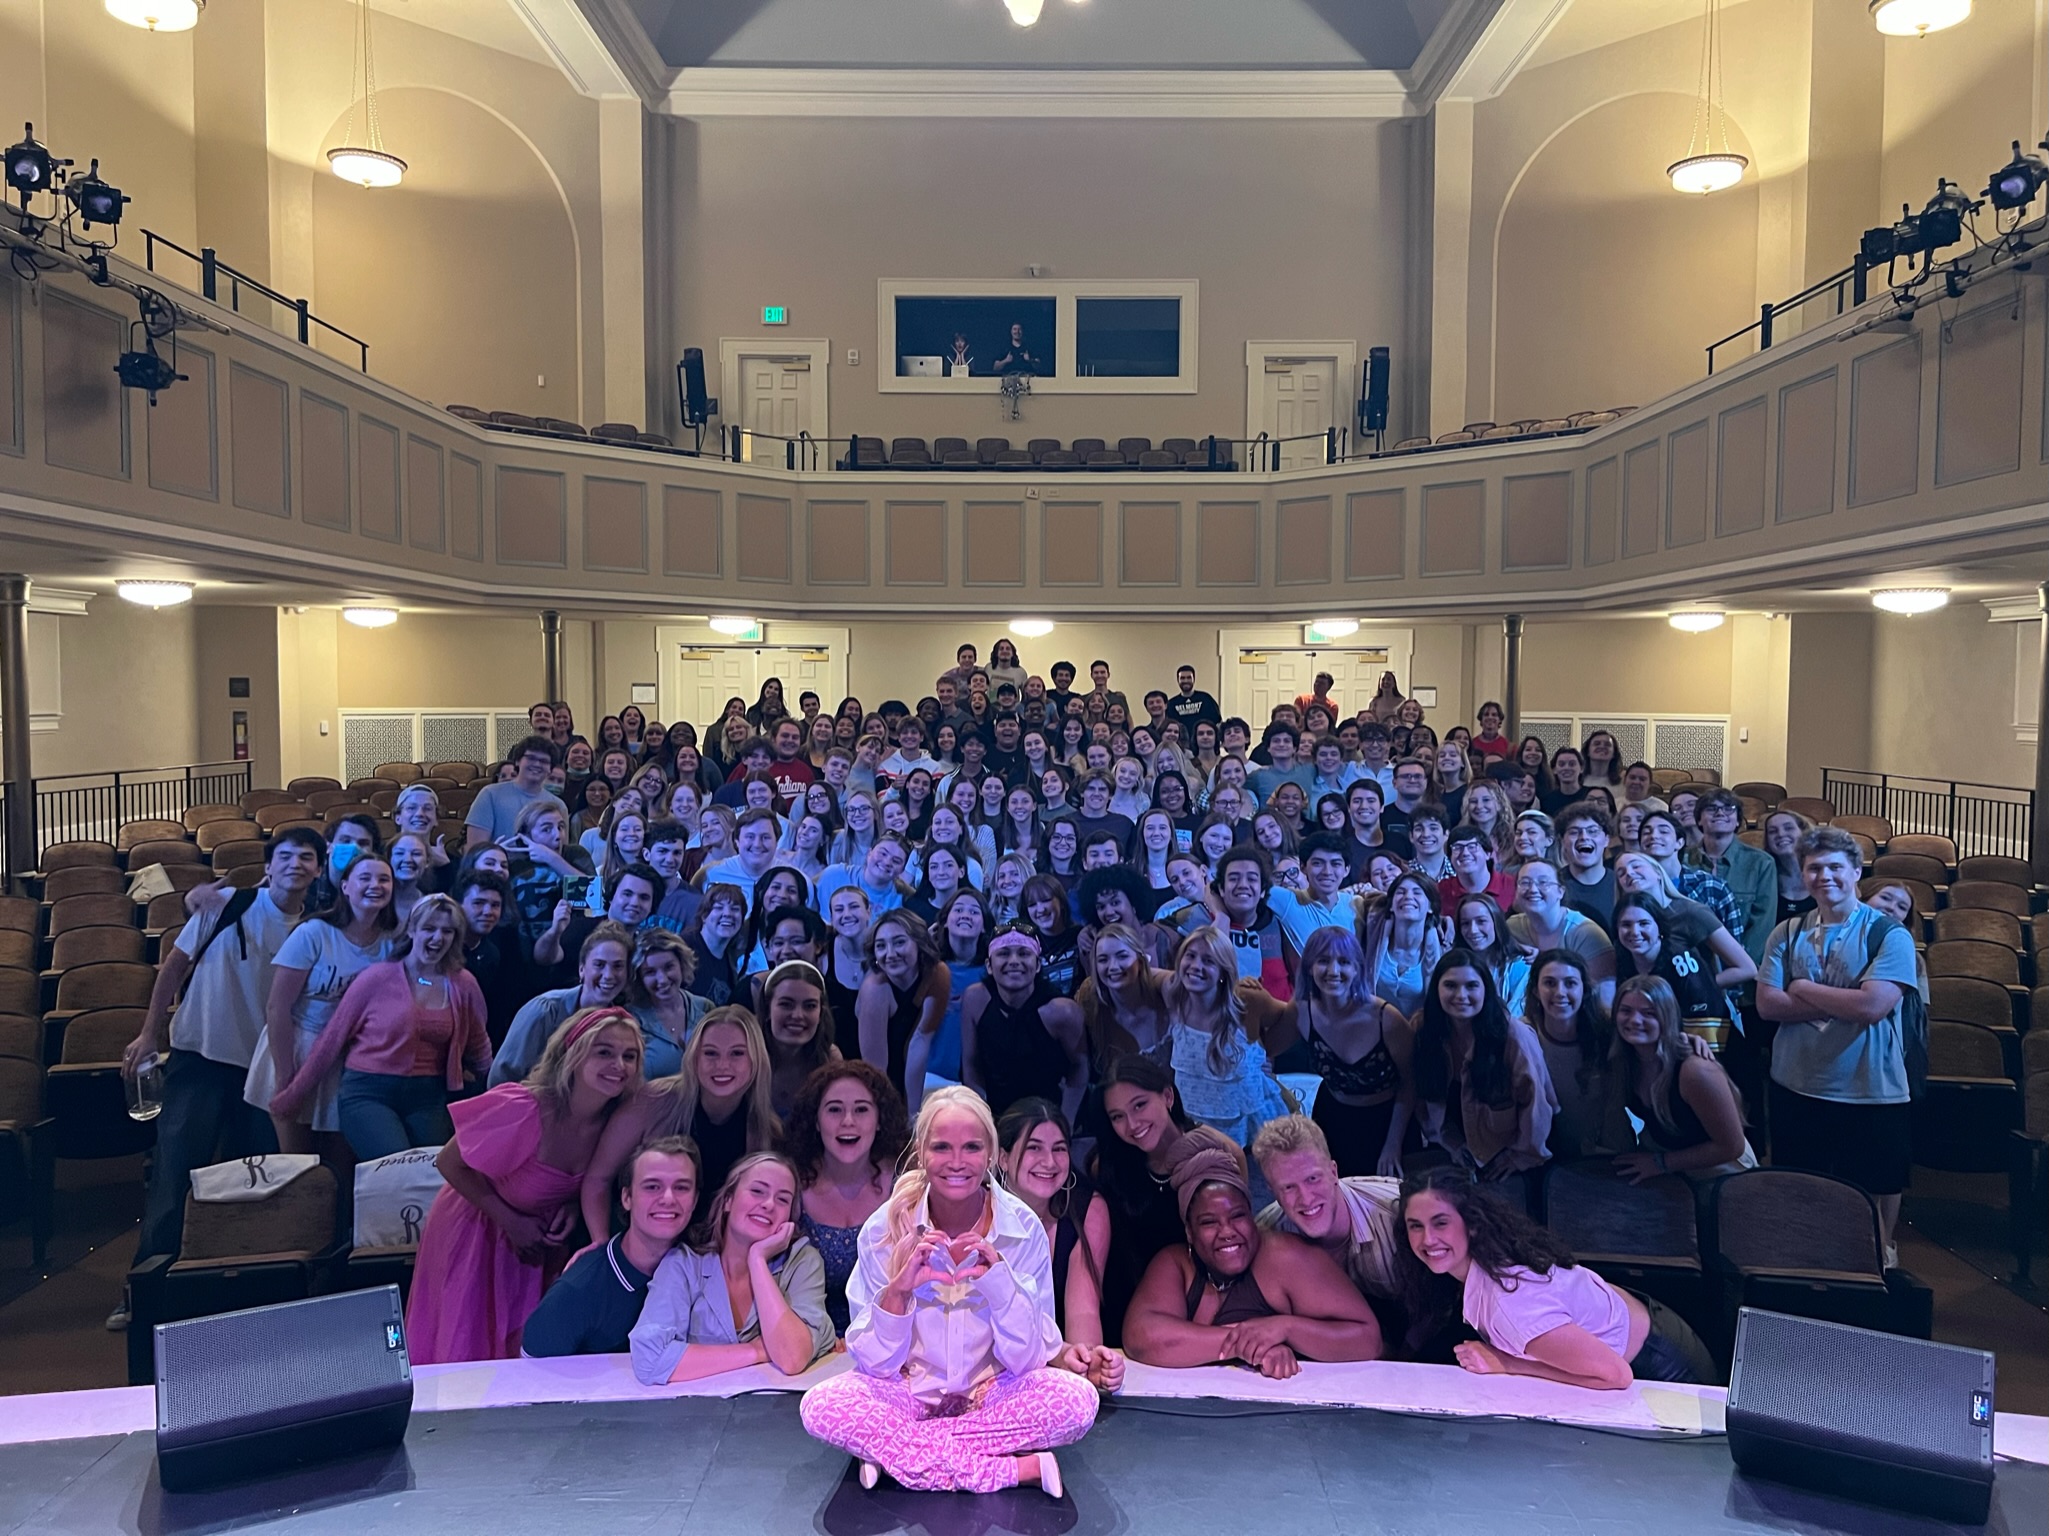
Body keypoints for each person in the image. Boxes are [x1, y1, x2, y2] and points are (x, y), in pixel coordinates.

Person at [798, 1087, 1105, 1497]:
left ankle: (897, 1457)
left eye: (972, 1147)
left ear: (993, 1155)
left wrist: (1000, 1286)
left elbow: (1031, 1359)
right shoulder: (882, 1229)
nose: (957, 1163)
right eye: (942, 1147)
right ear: (922, 1153)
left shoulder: (1023, 1228)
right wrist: (898, 1294)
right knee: (821, 1406)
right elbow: (875, 1364)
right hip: (907, 1391)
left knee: (1077, 1401)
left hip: (992, 1393)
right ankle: (1014, 1471)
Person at [112, 826, 326, 1329]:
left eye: (308, 857)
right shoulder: (229, 904)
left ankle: (238, 1290)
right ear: (270, 866)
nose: (297, 864)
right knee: (175, 1172)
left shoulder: (317, 928)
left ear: (318, 870)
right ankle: (142, 1292)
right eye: (287, 856)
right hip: (200, 1058)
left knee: (254, 1177)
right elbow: (173, 969)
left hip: (262, 1069)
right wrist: (149, 1035)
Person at [406, 1007, 645, 1363]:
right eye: (604, 1052)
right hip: (478, 1225)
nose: (619, 1065)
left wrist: (570, 1206)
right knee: (468, 1338)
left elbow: (582, 1183)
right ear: (572, 1054)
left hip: (538, 1240)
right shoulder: (523, 1106)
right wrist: (510, 1221)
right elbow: (447, 1161)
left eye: (629, 1056)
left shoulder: (617, 1121)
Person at [1757, 824, 1918, 1259]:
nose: (1823, 876)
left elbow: (1872, 1007)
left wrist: (1803, 990)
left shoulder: (1890, 934)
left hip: (1869, 1092)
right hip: (1796, 1086)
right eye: (1813, 868)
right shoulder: (1787, 932)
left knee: (1869, 1207)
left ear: (1855, 871)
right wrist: (1842, 1001)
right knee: (1801, 1199)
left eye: (1833, 867)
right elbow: (1768, 1005)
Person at [1396, 1168, 1711, 1387]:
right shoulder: (1488, 1261)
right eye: (1415, 1225)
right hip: (1647, 1324)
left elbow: (1615, 1376)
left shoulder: (1511, 1304)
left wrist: (1506, 1364)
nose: (1428, 1240)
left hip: (1662, 1366)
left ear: (1473, 1224)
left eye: (1440, 1223)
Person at [1123, 1136, 1383, 1378]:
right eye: (1209, 1222)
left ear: (1251, 1215)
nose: (1227, 1232)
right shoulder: (1176, 1263)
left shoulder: (1284, 1256)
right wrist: (1249, 1344)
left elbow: (1367, 1339)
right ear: (1190, 1231)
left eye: (1237, 1216)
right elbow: (1142, 1338)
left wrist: (1284, 1328)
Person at [270, 896, 491, 1161]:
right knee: (396, 1165)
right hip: (369, 1092)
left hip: (428, 1095)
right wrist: (293, 1094)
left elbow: (479, 1048)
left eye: (447, 931)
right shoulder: (376, 978)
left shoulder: (463, 984)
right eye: (429, 929)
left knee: (432, 1169)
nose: (437, 938)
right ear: (412, 931)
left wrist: (501, 1092)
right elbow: (331, 1041)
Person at [629, 1151, 837, 1384]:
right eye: (757, 1191)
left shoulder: (802, 1262)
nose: (769, 1204)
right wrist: (757, 1351)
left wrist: (757, 1260)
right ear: (728, 1199)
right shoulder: (684, 1264)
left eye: (782, 1199)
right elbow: (650, 1360)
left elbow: (791, 1358)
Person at [244, 854, 401, 1155]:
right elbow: (278, 1008)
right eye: (365, 878)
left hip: (351, 1057)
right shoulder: (314, 932)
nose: (375, 885)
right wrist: (285, 1076)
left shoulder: (392, 941)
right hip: (298, 1046)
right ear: (345, 887)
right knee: (297, 1162)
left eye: (383, 879)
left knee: (341, 1160)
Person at [582, 1005, 781, 1239]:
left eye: (737, 1053)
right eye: (710, 1053)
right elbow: (598, 1178)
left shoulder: (766, 1130)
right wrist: (601, 1244)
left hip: (710, 1252)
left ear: (756, 1060)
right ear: (694, 1057)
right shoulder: (653, 1100)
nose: (723, 1065)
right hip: (638, 1240)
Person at [1386, 950, 1556, 1189]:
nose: (1461, 995)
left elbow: (1536, 1104)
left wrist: (1520, 1156)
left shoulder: (1513, 1036)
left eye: (1471, 986)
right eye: (1451, 986)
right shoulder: (1423, 1028)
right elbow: (1421, 1093)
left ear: (1486, 989)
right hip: (1454, 1149)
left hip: (1512, 1154)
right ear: (1437, 989)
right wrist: (1452, 1145)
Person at [522, 1135, 700, 1359]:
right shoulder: (578, 1290)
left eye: (681, 1187)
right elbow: (530, 1374)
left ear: (694, 1201)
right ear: (627, 1198)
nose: (668, 1198)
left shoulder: (705, 1270)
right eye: (652, 1186)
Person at [790, 1060, 910, 1335]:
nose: (848, 1121)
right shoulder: (791, 1185)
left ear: (879, 1121)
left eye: (861, 1109)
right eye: (834, 1110)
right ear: (816, 1122)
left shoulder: (905, 1182)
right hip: (812, 1340)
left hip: (892, 1335)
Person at [1250, 1115, 1405, 1311]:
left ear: (1333, 1172)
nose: (1306, 1199)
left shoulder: (1400, 1213)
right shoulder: (1266, 1233)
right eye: (1288, 1187)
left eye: (1313, 1178)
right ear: (1273, 1192)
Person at [1610, 976, 1756, 1183]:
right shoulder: (1627, 1060)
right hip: (1677, 1170)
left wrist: (1661, 1163)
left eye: (1649, 1013)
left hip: (1723, 1174)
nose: (1635, 1020)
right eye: (1626, 1011)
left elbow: (1732, 1147)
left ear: (1667, 1017)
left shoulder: (1695, 1071)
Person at [998, 1099, 1117, 1350]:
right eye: (1034, 1148)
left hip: (1059, 1360)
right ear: (1003, 1159)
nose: (1050, 1162)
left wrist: (1087, 1362)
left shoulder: (1087, 1209)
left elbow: (1083, 1312)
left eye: (1059, 1149)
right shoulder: (978, 1206)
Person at [1289, 927, 1406, 1178]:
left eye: (1343, 962)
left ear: (1357, 969)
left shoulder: (1387, 1017)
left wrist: (1393, 1144)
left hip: (1385, 1122)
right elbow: (1265, 1041)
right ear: (1309, 967)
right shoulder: (1301, 1011)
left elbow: (1412, 1083)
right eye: (1323, 961)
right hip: (1331, 1116)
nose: (1333, 971)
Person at [962, 921, 1088, 1121]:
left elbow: (1080, 1067)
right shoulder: (974, 999)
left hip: (1047, 1114)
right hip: (994, 1114)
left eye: (1023, 953)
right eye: (1003, 953)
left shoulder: (1062, 1011)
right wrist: (981, 1115)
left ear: (1037, 965)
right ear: (989, 966)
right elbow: (971, 1064)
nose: (1014, 961)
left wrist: (1065, 1122)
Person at [490, 922, 636, 1085]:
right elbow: (500, 1079)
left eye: (618, 966)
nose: (608, 975)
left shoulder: (618, 1024)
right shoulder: (544, 1011)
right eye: (599, 965)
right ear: (582, 969)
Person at [855, 909, 951, 1113]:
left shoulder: (938, 974)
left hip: (907, 1061)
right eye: (881, 946)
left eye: (899, 942)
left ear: (919, 943)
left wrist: (913, 1115)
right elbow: (875, 1068)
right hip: (865, 1072)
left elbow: (921, 1040)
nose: (890, 954)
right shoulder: (875, 989)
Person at [759, 954, 841, 1117]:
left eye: (809, 1006)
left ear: (820, 1013)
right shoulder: (745, 1055)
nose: (797, 1015)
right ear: (768, 1009)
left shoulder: (829, 1058)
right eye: (786, 1004)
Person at [467, 736, 568, 848]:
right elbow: (475, 849)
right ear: (518, 761)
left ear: (550, 769)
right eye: (531, 758)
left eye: (544, 761)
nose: (537, 764)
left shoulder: (558, 805)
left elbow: (561, 850)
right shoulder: (490, 794)